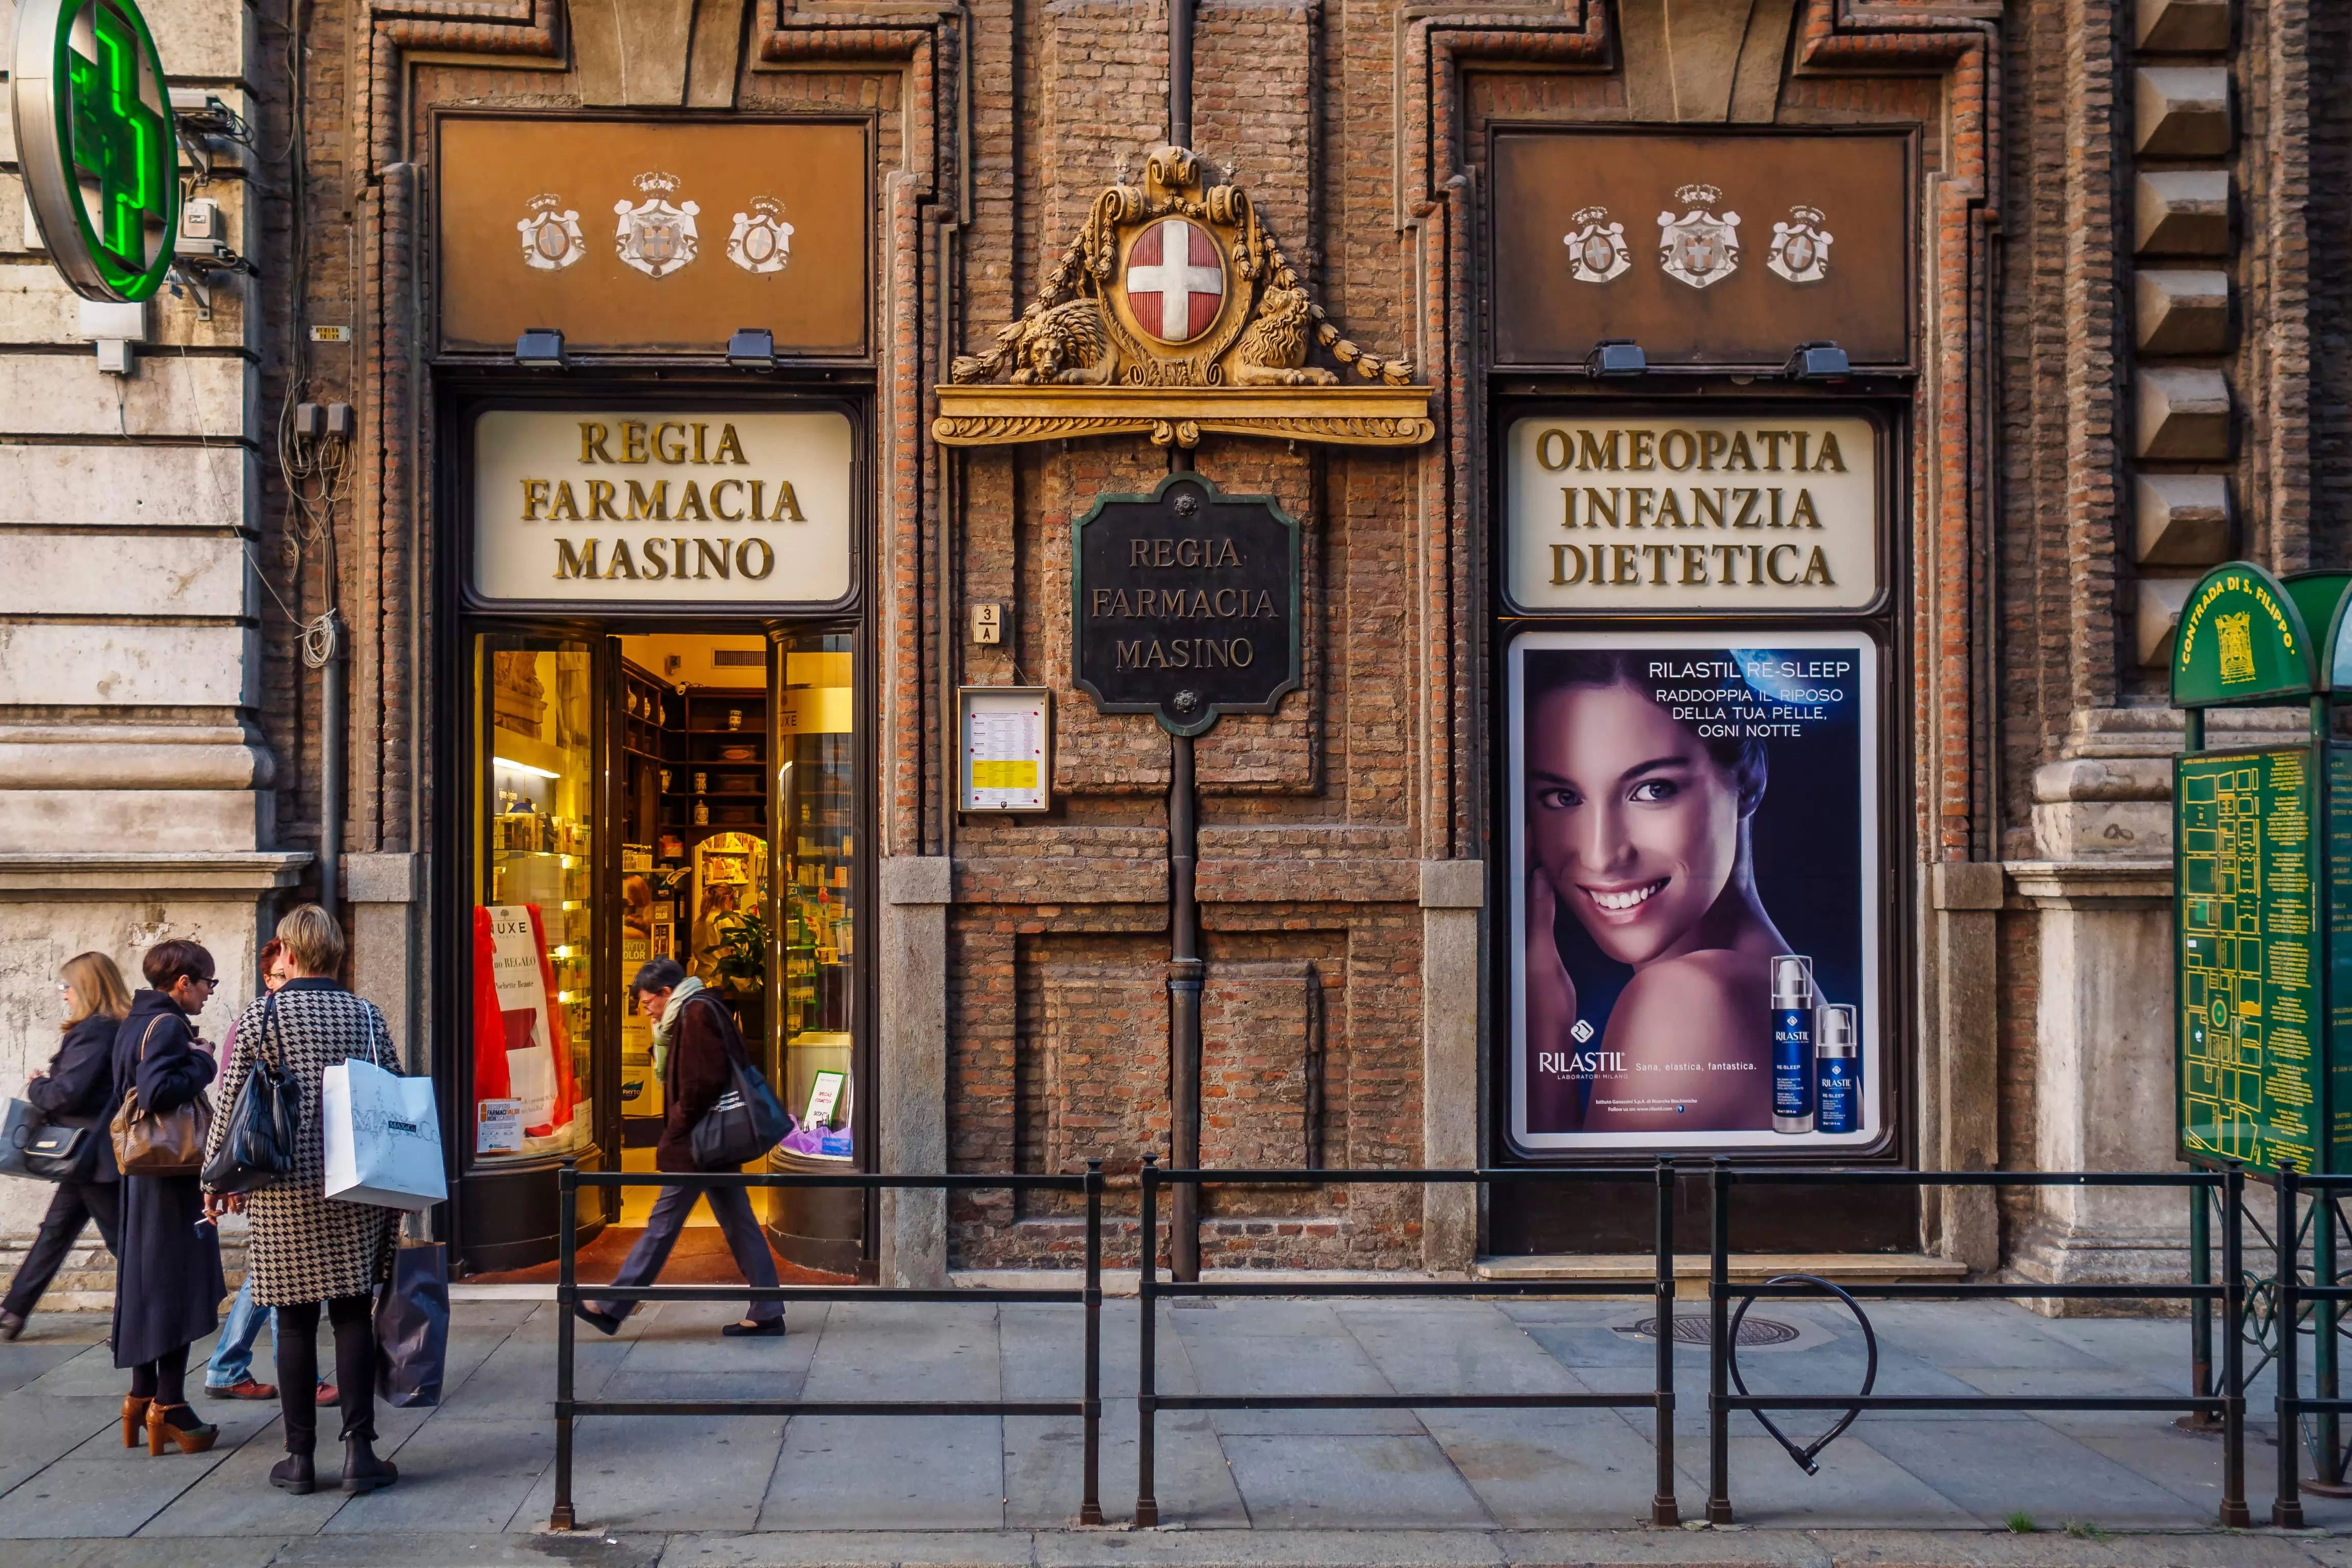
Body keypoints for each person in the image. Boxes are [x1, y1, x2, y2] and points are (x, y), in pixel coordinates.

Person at [1522, 650, 1789, 1132]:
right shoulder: (1766, 983)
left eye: (1653, 790)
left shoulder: (1690, 998)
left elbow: (1571, 1206)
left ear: (1748, 780)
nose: (1602, 855)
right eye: (1563, 798)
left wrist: (1542, 1010)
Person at [204, 904, 402, 1496]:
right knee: (350, 1316)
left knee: (293, 1320)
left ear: (288, 952)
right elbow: (392, 1094)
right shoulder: (366, 1016)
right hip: (354, 1184)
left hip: (283, 1187)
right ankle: (360, 1454)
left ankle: (299, 1460)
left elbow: (232, 1106)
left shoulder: (262, 1016)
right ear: (336, 953)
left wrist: (215, 1183)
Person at [576, 957, 783, 1339]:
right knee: (739, 1223)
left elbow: (699, 1085)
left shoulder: (696, 1014)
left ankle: (612, 1306)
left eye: (647, 1001)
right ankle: (767, 1308)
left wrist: (675, 1130)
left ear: (666, 993)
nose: (645, 1009)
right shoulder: (697, 1009)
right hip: (712, 1142)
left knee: (663, 1224)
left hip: (699, 1143)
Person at [203, 939, 334, 1407]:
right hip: (269, 1169)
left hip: (301, 1171)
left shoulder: (311, 1016)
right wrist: (225, 1178)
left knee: (270, 1276)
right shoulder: (254, 1023)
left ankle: (226, 1367)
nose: (282, 984)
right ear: (268, 978)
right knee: (282, 1280)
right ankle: (303, 1379)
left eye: (286, 973)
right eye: (276, 977)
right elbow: (235, 1105)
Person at [112, 938, 227, 1456]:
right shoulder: (168, 1026)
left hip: (144, 1176)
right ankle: (172, 1405)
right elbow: (158, 1092)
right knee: (175, 1284)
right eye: (207, 984)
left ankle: (141, 1398)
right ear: (182, 983)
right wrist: (203, 1061)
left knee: (147, 1282)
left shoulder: (133, 1022)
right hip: (171, 1177)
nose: (208, 993)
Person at [0, 952, 134, 1338]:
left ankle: (156, 1311)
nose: (64, 996)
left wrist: (38, 1082)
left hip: (91, 1155)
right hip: (85, 1158)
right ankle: (12, 1311)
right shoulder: (114, 1028)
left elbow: (67, 1095)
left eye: (66, 987)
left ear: (86, 988)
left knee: (121, 1242)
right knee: (54, 1231)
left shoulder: (96, 1031)